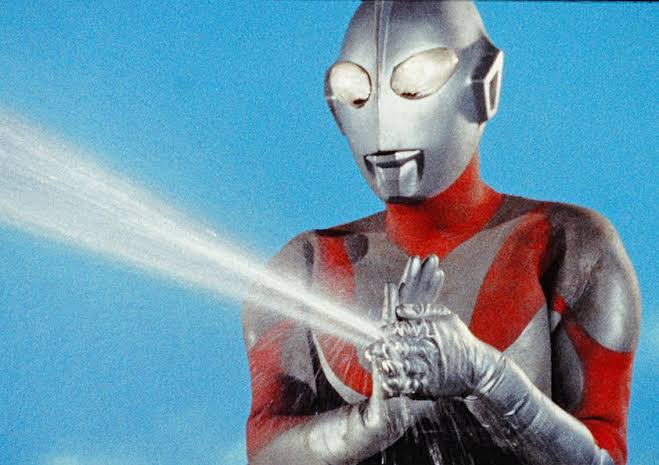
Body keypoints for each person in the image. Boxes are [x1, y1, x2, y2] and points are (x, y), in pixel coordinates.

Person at [242, 2, 640, 464]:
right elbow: (265, 453)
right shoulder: (305, 267)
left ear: (484, 86)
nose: (384, 119)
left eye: (414, 86)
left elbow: (605, 456)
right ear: (335, 108)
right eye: (355, 92)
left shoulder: (569, 246)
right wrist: (374, 422)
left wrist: (488, 377)